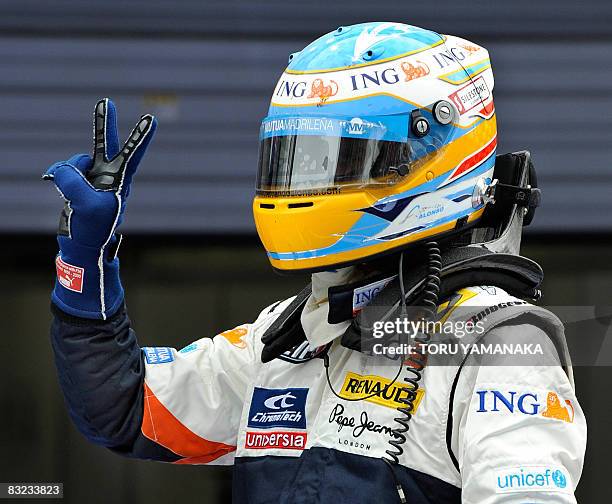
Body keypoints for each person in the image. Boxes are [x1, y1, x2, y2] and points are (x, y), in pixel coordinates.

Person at [43, 22, 586, 503]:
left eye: (343, 158)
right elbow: (124, 408)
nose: (305, 185)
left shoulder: (499, 347)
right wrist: (85, 266)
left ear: (433, 156)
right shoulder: (287, 336)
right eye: (296, 159)